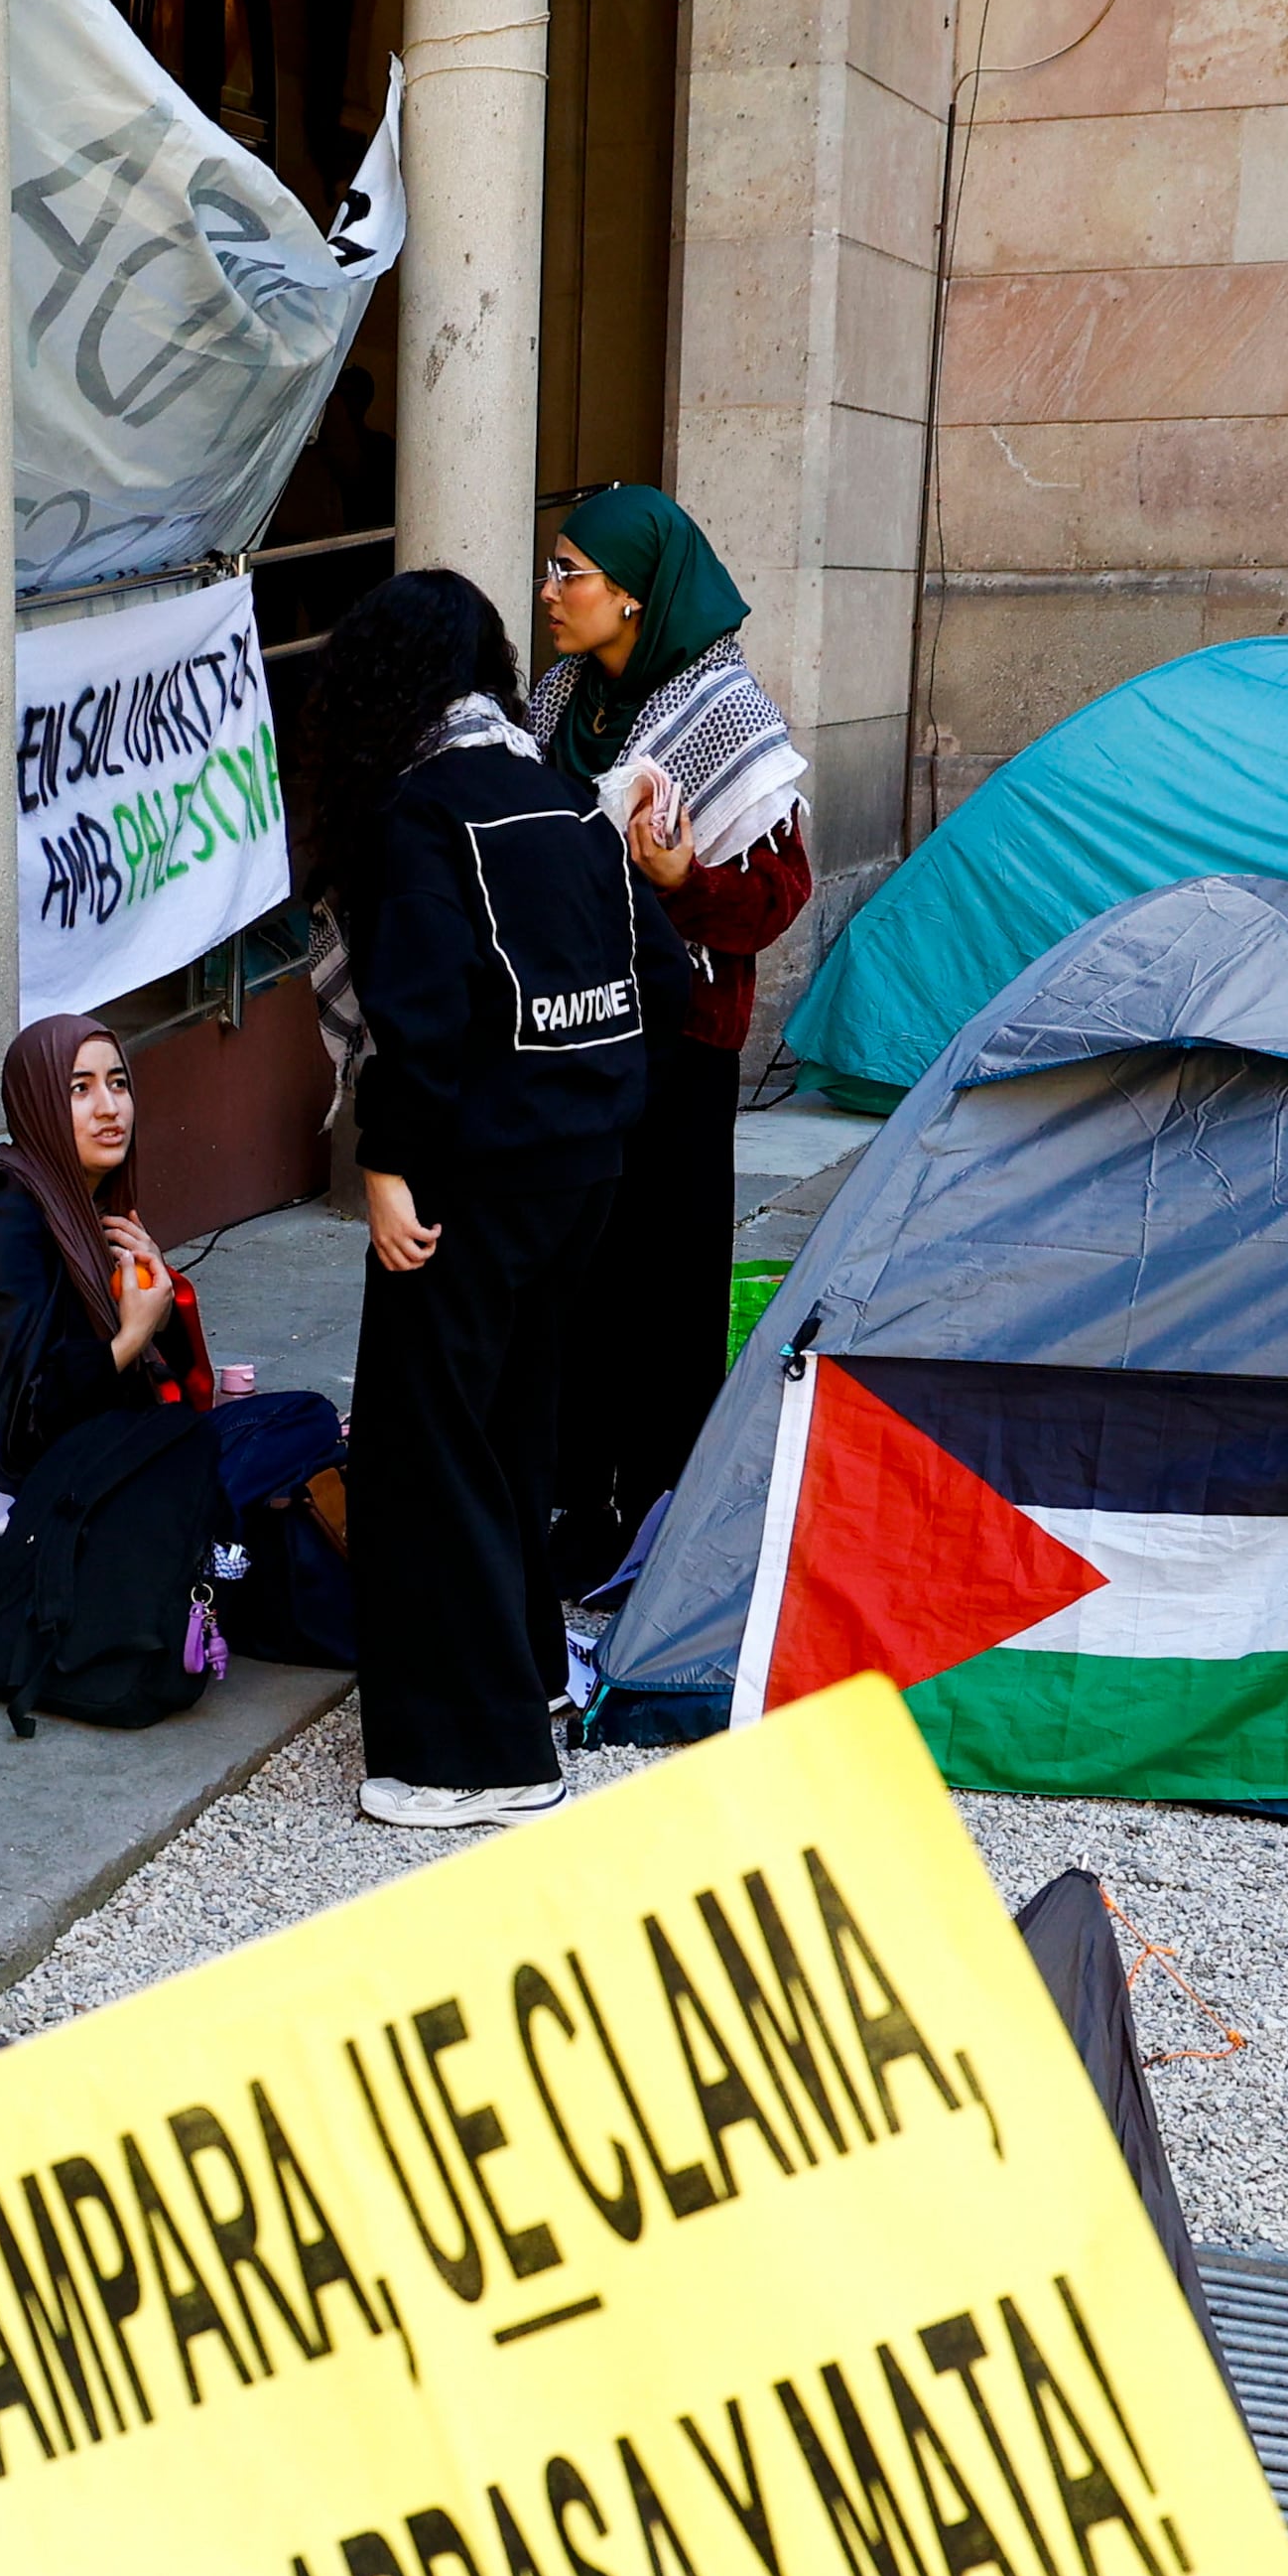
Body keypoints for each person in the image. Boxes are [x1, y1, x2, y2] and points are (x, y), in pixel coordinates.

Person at [303, 568, 675, 1829]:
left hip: (465, 1176)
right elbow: (662, 985)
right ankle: (528, 1688)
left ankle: (478, 1758)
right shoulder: (563, 799)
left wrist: (386, 1163)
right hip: (581, 1169)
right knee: (515, 1434)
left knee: (428, 1451)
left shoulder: (419, 813)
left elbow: (422, 1014)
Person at [523, 484, 813, 1587]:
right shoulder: (553, 700)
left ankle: (656, 1516)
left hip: (676, 1042)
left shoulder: (725, 714)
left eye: (570, 574)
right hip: (566, 1034)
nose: (550, 592)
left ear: (633, 596)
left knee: (667, 1277)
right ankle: (570, 1501)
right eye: (551, 570)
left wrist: (680, 879)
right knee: (571, 1271)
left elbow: (777, 897)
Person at [0, 1016, 209, 1474]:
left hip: (93, 1459)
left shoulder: (89, 1207)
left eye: (118, 1084)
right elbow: (19, 1425)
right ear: (37, 1104)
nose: (110, 1108)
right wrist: (130, 1339)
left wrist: (162, 1310)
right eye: (80, 1089)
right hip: (13, 1508)